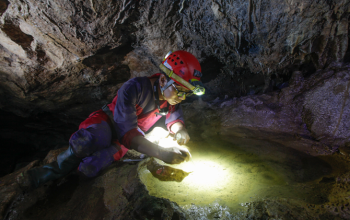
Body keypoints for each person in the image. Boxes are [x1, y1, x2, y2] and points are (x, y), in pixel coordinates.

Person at [17, 50, 205, 190]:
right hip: (107, 123)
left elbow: (175, 119)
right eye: (180, 91)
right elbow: (127, 132)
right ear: (163, 80)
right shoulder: (135, 87)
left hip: (127, 140)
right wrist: (161, 154)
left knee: (91, 167)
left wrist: (180, 130)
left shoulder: (170, 100)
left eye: (186, 94)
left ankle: (69, 188)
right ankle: (47, 173)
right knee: (87, 141)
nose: (181, 97)